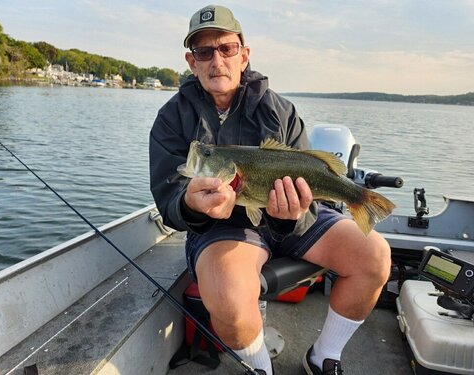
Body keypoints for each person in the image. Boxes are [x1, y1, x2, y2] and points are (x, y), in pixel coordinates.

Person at [149, 5, 391, 375]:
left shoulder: (281, 110)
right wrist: (190, 203)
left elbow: (308, 188)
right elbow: (169, 198)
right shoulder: (171, 118)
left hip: (294, 216)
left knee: (374, 254)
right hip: (223, 226)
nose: (217, 60)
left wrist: (290, 217)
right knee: (229, 298)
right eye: (204, 52)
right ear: (192, 62)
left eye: (226, 48)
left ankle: (323, 356)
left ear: (243, 55)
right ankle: (261, 367)